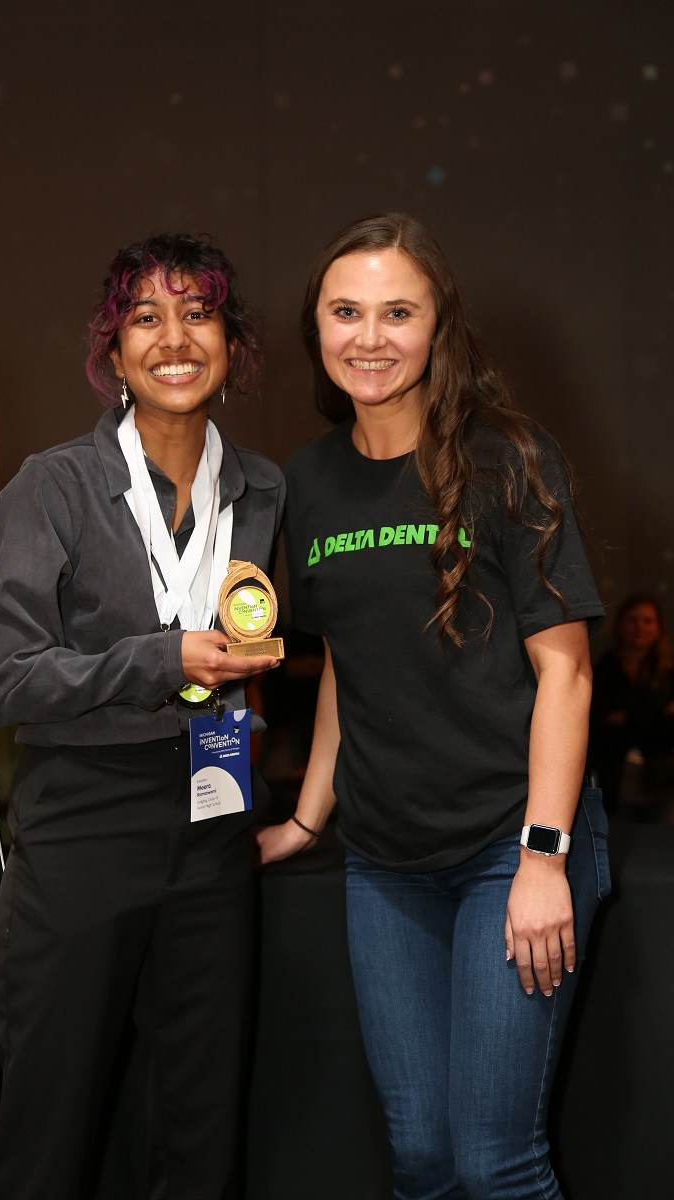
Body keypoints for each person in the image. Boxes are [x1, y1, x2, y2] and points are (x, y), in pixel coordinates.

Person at [257, 213, 610, 1200]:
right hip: (386, 862)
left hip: (512, 842)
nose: (367, 337)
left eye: (395, 312)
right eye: (344, 312)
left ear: (436, 327)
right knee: (417, 1159)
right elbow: (344, 669)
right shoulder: (307, 482)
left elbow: (566, 675)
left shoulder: (507, 457)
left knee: (494, 1165)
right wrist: (303, 819)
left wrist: (542, 855)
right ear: (316, 329)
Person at [0, 234, 284, 1200]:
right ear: (113, 353)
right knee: (50, 1129)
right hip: (83, 820)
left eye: (198, 313)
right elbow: (8, 678)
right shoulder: (52, 486)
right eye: (145, 317)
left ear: (231, 344)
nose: (175, 337)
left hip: (212, 809)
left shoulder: (265, 488)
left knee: (201, 1127)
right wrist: (162, 657)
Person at [589, 592, 674, 819]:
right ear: (620, 625)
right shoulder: (604, 670)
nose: (640, 628)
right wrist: (656, 716)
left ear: (658, 627)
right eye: (632, 620)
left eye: (647, 621)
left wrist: (626, 719)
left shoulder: (668, 673)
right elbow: (598, 727)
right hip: (615, 782)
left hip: (664, 780)